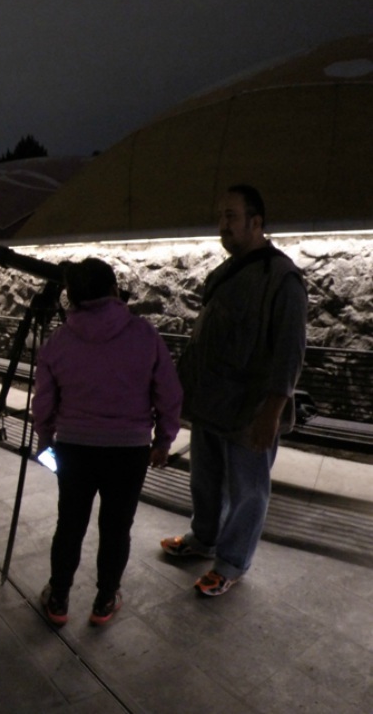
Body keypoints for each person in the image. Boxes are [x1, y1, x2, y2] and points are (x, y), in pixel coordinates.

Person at [161, 184, 307, 597]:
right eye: (220, 217)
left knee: (248, 491)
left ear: (256, 222)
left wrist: (272, 411)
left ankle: (231, 561)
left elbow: (289, 352)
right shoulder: (221, 274)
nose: (222, 226)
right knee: (204, 481)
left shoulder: (283, 278)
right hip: (210, 403)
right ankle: (203, 538)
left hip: (251, 410)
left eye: (231, 216)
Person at [32, 258, 182, 627]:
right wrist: (163, 439)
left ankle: (59, 598)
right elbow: (168, 393)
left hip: (74, 448)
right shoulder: (144, 334)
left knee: (70, 523)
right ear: (115, 291)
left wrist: (45, 436)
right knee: (116, 527)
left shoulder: (60, 340)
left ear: (73, 298)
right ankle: (104, 600)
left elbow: (44, 399)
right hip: (128, 451)